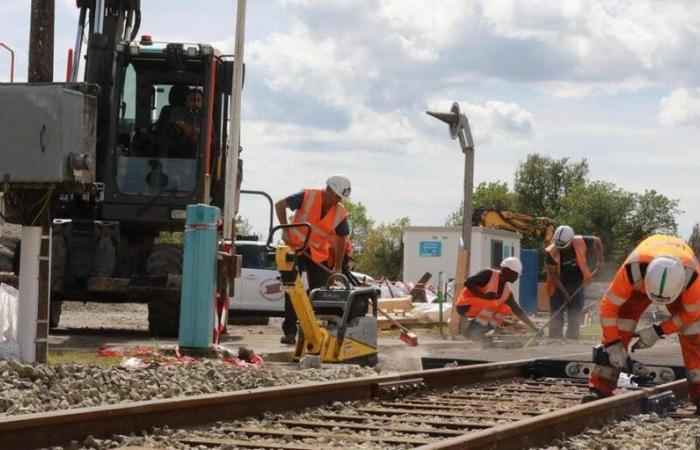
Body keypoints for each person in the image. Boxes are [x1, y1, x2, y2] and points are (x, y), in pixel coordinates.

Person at [584, 234, 700, 410]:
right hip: (641, 282)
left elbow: (690, 315)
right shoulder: (632, 270)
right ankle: (600, 388)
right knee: (621, 322)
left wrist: (658, 331)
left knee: (695, 330)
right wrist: (613, 344)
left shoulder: (694, 279)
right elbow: (608, 309)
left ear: (681, 286)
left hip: (677, 284)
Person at [274, 174, 352, 345]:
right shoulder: (307, 196)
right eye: (337, 196)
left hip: (317, 253)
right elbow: (280, 204)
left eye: (341, 197)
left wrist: (338, 266)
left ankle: (316, 331)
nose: (338, 200)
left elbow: (342, 238)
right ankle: (289, 332)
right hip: (295, 248)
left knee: (321, 292)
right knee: (291, 289)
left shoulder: (339, 212)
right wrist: (286, 230)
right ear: (329, 190)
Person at [455, 257, 539, 340]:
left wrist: (534, 328)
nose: (517, 276)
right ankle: (470, 332)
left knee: (505, 309)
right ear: (506, 270)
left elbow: (517, 310)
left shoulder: (507, 292)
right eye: (516, 273)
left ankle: (476, 333)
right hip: (464, 305)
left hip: (480, 308)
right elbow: (468, 282)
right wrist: (484, 296)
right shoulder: (488, 274)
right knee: (492, 304)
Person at [545, 225, 604, 340]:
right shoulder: (551, 252)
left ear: (571, 241)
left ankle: (572, 339)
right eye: (559, 247)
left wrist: (600, 259)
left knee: (574, 313)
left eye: (564, 247)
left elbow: (597, 240)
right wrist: (565, 293)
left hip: (577, 283)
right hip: (558, 285)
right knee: (556, 313)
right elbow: (553, 275)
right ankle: (554, 339)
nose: (561, 249)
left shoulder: (580, 241)